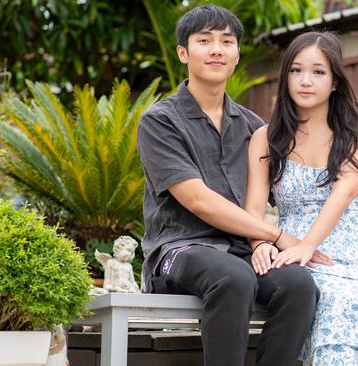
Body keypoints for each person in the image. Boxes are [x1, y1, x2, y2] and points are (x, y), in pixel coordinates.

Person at [137, 6, 320, 366]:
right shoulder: (160, 121)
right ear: (183, 53)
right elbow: (199, 201)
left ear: (237, 55)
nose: (217, 49)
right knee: (234, 277)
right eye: (204, 41)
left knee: (298, 285)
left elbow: (299, 191)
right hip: (180, 249)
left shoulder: (254, 128)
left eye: (227, 41)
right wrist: (277, 235)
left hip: (242, 252)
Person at [244, 32, 358, 365]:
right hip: (293, 249)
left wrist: (309, 244)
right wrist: (259, 243)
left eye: (318, 72)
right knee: (330, 299)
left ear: (335, 81)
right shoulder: (266, 137)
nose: (305, 81)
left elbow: (344, 193)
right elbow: (254, 207)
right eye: (296, 70)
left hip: (356, 250)